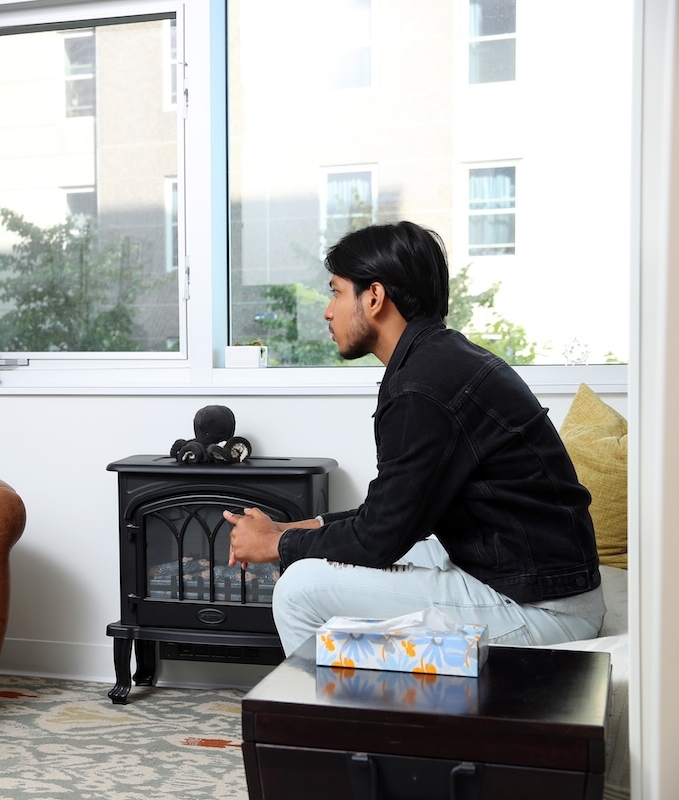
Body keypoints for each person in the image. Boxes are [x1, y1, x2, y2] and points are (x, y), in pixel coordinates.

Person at [224, 221, 605, 655]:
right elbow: (392, 515)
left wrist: (276, 543)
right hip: (523, 578)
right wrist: (289, 528)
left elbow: (378, 538)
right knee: (394, 553)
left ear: (374, 297)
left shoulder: (423, 387)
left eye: (335, 292)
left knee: (299, 588)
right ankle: (371, 709)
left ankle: (329, 722)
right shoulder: (438, 361)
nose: (329, 311)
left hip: (541, 608)